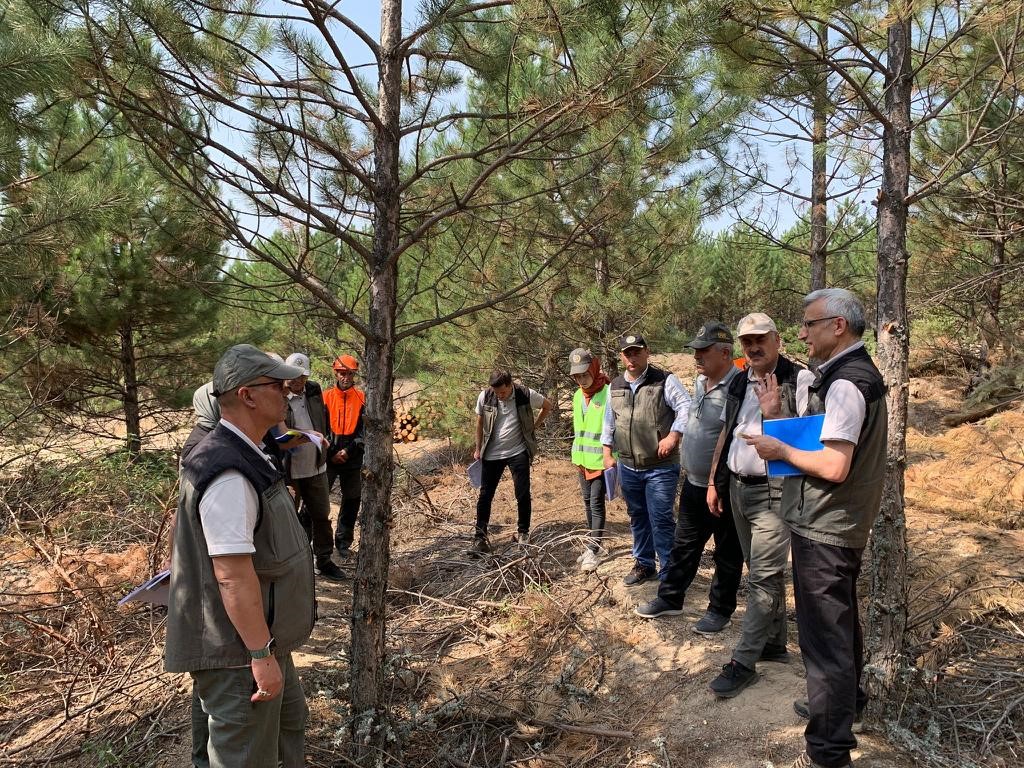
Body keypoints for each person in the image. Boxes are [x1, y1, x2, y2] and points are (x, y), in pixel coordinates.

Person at [744, 289, 887, 768]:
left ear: (838, 326)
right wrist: (776, 417)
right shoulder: (843, 377)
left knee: (824, 642)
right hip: (829, 523)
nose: (802, 333)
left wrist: (779, 451)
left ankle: (827, 752)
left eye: (809, 324)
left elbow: (833, 464)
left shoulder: (848, 383)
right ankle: (847, 712)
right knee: (840, 630)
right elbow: (815, 442)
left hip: (827, 526)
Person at [166, 344, 315, 768]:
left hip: (259, 642)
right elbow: (232, 577)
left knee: (286, 734)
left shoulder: (247, 452)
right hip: (239, 655)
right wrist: (259, 657)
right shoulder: (229, 471)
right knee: (246, 756)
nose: (288, 393)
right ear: (248, 395)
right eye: (278, 385)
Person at [705, 313, 814, 698]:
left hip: (776, 492)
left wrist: (774, 415)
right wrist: (715, 482)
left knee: (763, 578)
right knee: (761, 570)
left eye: (760, 339)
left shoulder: (799, 379)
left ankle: (743, 662)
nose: (753, 347)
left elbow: (808, 441)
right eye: (747, 341)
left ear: (777, 339)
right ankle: (773, 643)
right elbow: (726, 432)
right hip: (737, 487)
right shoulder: (738, 378)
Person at [635, 322, 744, 634]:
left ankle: (720, 610)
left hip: (722, 486)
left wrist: (714, 483)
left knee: (726, 551)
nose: (696, 356)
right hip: (694, 483)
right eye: (695, 351)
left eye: (703, 351)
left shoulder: (738, 387)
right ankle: (670, 598)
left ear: (725, 353)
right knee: (684, 545)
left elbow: (727, 440)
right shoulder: (701, 381)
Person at [601, 334, 691, 587]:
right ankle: (644, 564)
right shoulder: (615, 385)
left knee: (661, 518)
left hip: (660, 467)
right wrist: (607, 453)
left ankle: (669, 573)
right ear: (621, 356)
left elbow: (686, 406)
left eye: (636, 351)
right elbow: (609, 422)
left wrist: (674, 435)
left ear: (646, 352)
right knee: (637, 516)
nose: (632, 357)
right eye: (627, 353)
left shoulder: (664, 380)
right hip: (628, 466)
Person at [471, 370, 551, 553]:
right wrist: (478, 448)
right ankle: (479, 538)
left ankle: (523, 533)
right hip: (492, 453)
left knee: (522, 494)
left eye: (503, 393)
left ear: (510, 385)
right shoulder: (485, 396)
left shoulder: (525, 394)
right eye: (497, 392)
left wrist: (532, 428)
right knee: (485, 496)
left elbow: (547, 406)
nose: (500, 396)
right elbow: (480, 422)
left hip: (518, 451)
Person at [282, 352, 345, 582]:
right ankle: (293, 564)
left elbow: (323, 418)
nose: (298, 382)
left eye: (303, 377)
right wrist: (306, 435)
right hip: (290, 472)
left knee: (321, 515)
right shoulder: (278, 396)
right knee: (288, 519)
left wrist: (324, 439)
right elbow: (276, 433)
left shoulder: (314, 390)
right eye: (293, 377)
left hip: (316, 466)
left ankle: (324, 560)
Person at [568, 348, 611, 572]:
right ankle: (594, 544)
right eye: (577, 376)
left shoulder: (608, 392)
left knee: (596, 502)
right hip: (582, 459)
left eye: (585, 374)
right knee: (587, 501)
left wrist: (611, 456)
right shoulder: (577, 396)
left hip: (601, 460)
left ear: (594, 369)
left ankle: (593, 550)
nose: (581, 380)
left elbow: (613, 428)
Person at [322, 354, 365, 557]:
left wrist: (348, 451)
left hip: (353, 457)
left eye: (349, 373)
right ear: (336, 373)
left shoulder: (363, 398)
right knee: (319, 500)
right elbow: (319, 427)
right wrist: (331, 452)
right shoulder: (325, 397)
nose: (345, 377)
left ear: (353, 374)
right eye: (342, 373)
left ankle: (343, 543)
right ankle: (315, 541)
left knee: (352, 499)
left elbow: (364, 432)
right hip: (328, 456)